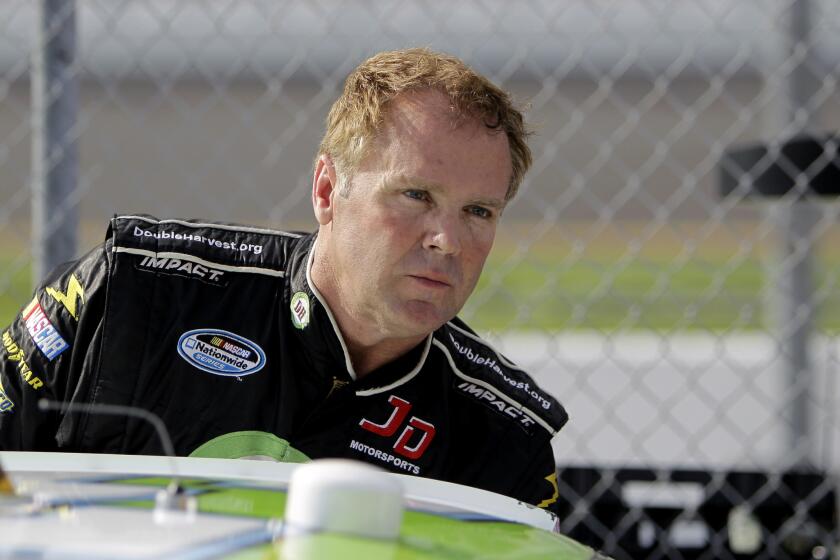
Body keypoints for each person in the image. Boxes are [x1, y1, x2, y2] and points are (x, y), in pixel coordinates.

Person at [0, 48, 568, 512]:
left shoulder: (503, 437)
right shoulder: (129, 293)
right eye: (415, 195)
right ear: (327, 191)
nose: (447, 240)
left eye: (479, 212)